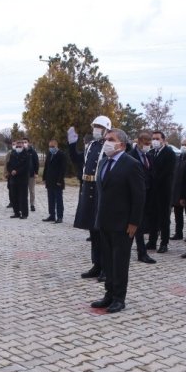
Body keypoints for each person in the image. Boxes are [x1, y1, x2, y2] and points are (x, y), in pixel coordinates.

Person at [90, 128, 145, 313]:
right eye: (106, 139)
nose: (106, 142)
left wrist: (134, 222)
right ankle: (109, 294)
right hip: (104, 221)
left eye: (110, 139)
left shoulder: (132, 164)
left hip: (123, 224)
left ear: (121, 144)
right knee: (107, 261)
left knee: (119, 262)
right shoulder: (104, 162)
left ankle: (119, 298)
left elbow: (139, 196)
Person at [69, 115, 111, 279]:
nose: (96, 130)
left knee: (102, 232)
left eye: (99, 127)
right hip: (88, 188)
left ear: (106, 129)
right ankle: (96, 264)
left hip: (100, 189)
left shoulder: (108, 146)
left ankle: (106, 269)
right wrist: (72, 145)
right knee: (93, 231)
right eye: (95, 126)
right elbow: (78, 160)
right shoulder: (92, 145)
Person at [145, 131, 176, 253]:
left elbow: (167, 172)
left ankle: (164, 242)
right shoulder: (151, 153)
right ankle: (152, 241)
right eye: (153, 138)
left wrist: (154, 178)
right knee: (152, 217)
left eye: (157, 138)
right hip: (152, 191)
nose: (154, 141)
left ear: (163, 140)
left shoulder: (170, 153)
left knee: (164, 218)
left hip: (164, 190)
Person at [130, 131, 156, 263]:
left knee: (142, 224)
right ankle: (141, 252)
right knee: (137, 224)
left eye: (149, 144)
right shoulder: (131, 156)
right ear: (139, 142)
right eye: (146, 144)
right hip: (135, 195)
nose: (148, 146)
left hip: (147, 194)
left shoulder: (149, 156)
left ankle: (142, 251)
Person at [41, 139, 67, 223]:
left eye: (52, 146)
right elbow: (46, 167)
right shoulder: (49, 154)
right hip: (49, 181)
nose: (51, 148)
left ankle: (60, 217)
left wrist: (60, 180)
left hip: (57, 181)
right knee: (50, 199)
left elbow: (63, 169)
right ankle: (52, 215)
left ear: (56, 146)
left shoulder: (61, 155)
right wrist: (44, 178)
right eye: (50, 146)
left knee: (58, 200)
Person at [170, 139, 186, 241]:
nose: (183, 146)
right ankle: (178, 233)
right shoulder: (178, 158)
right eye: (182, 144)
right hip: (176, 190)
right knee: (178, 215)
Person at [6, 140, 30, 219]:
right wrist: (11, 171)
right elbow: (8, 165)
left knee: (23, 197)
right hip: (13, 179)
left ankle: (24, 213)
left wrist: (17, 171)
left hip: (22, 179)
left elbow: (26, 167)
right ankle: (16, 212)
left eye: (20, 146)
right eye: (17, 146)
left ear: (23, 146)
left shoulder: (26, 154)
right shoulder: (13, 154)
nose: (18, 148)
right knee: (14, 196)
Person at [23, 138, 39, 212]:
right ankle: (23, 204)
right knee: (23, 191)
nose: (24, 143)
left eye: (25, 142)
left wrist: (36, 172)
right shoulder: (21, 151)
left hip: (31, 175)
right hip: (22, 175)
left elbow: (36, 163)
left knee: (31, 190)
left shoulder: (33, 152)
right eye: (23, 142)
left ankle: (32, 204)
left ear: (28, 143)